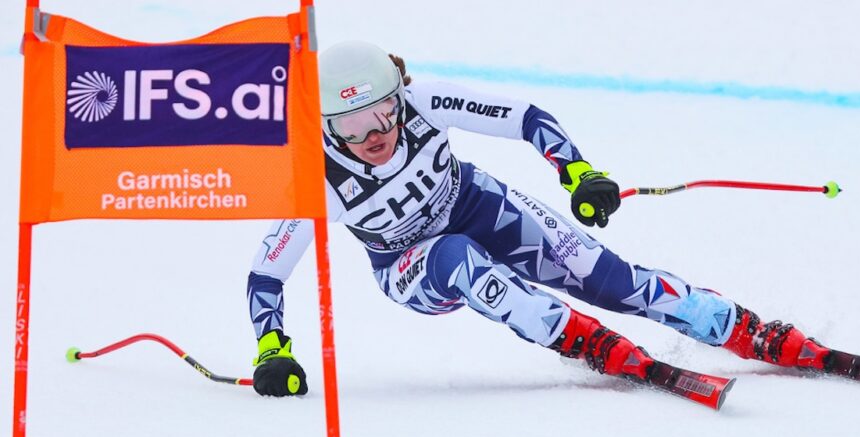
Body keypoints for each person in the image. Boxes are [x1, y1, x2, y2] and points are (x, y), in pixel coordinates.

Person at [247, 41, 830, 397]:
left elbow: (525, 117)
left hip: (476, 204)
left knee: (614, 280)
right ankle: (581, 338)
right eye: (350, 128)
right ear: (325, 127)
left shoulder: (426, 102)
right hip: (409, 265)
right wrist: (273, 349)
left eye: (380, 115)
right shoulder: (314, 179)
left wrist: (578, 172)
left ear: (399, 96)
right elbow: (267, 274)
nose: (372, 136)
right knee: (457, 259)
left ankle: (733, 324)